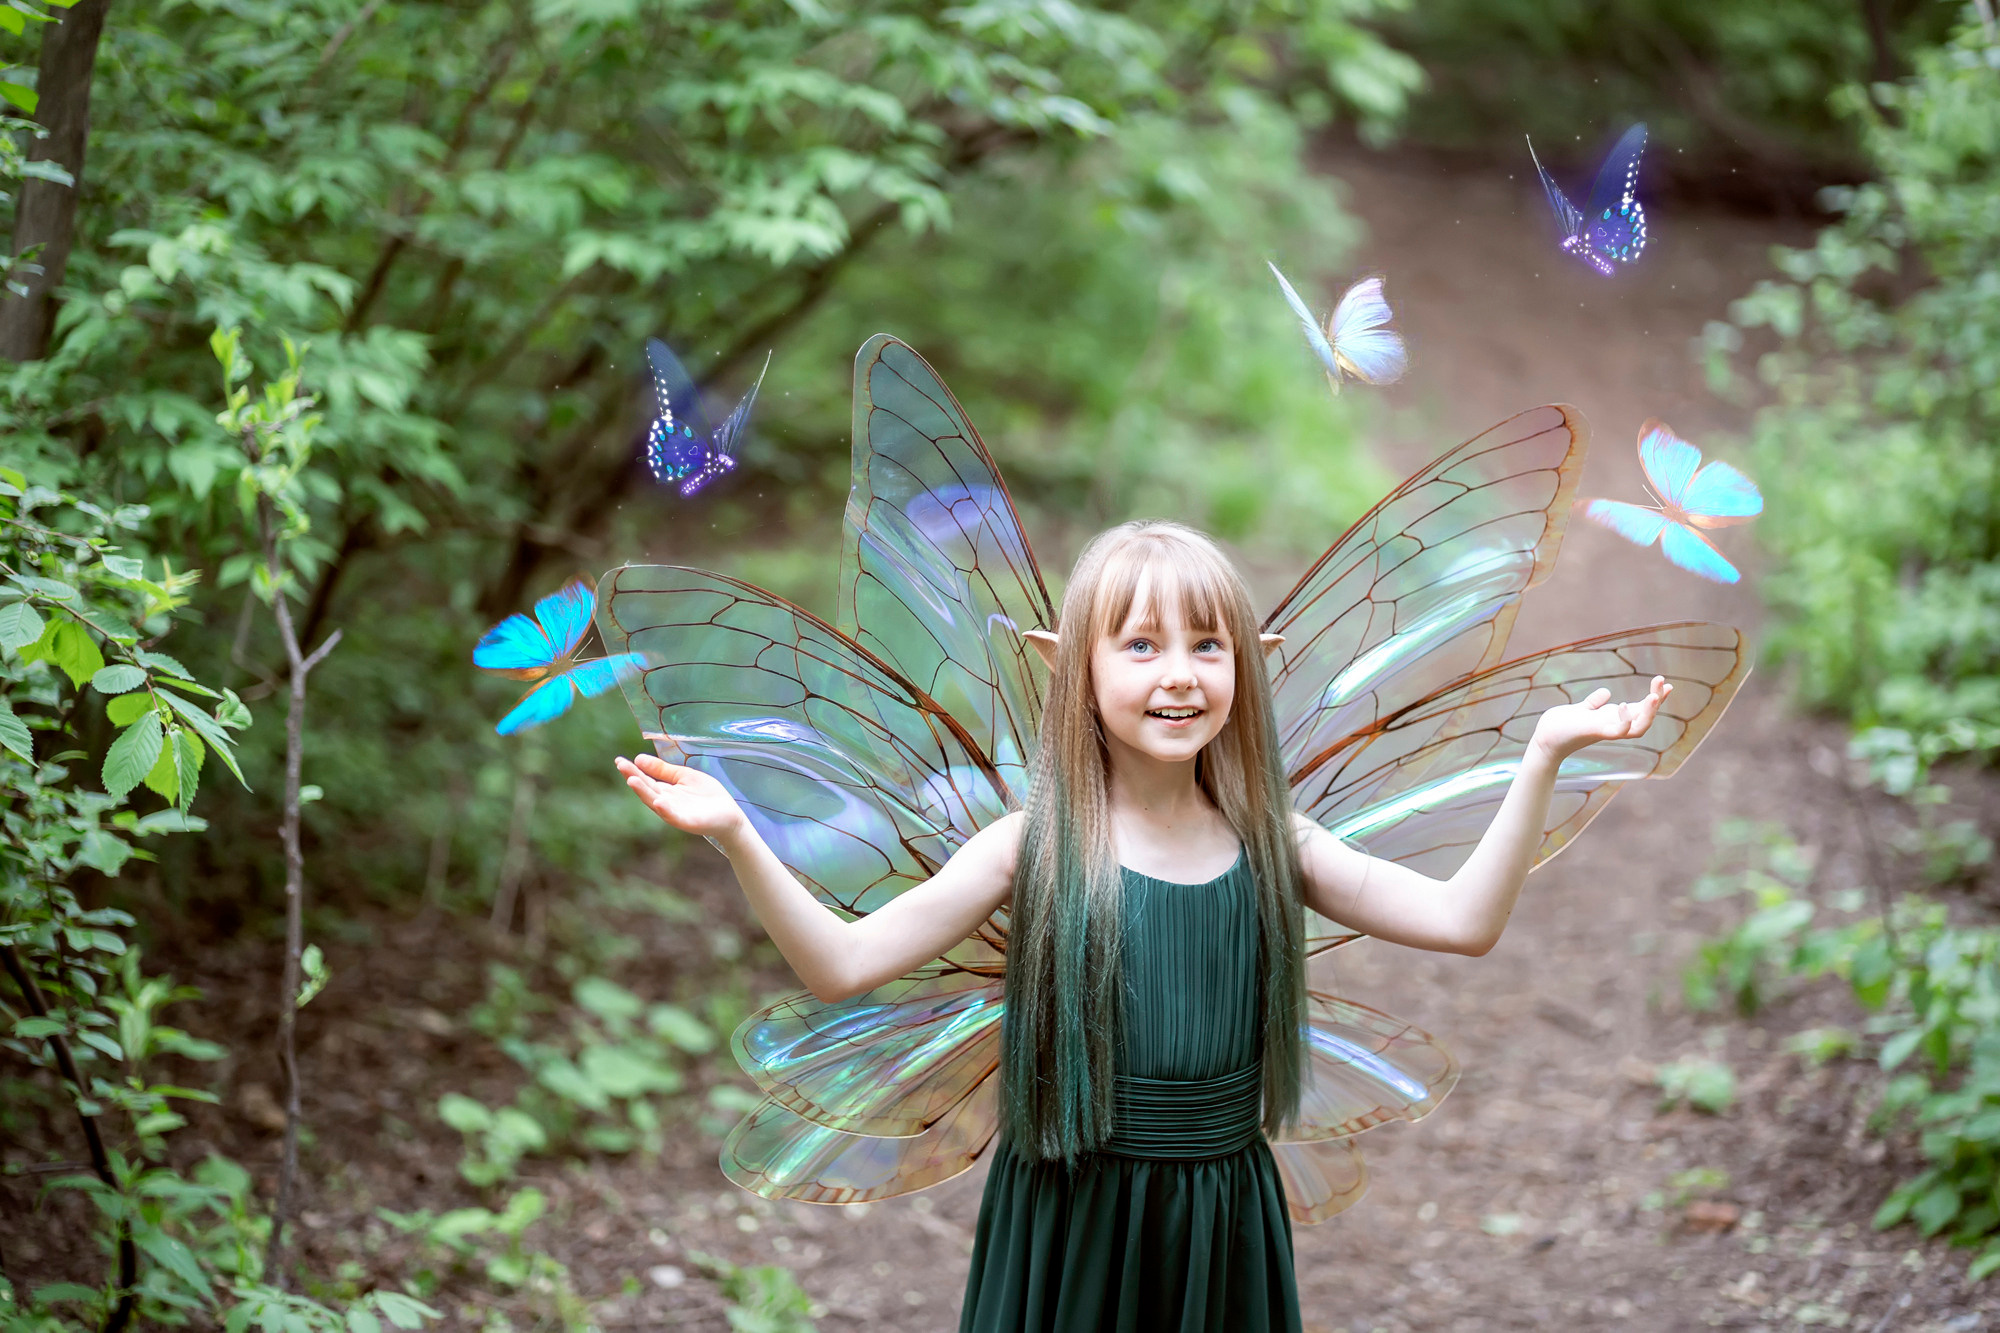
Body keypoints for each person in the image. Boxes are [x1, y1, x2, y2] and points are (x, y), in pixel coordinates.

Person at [615, 519, 1673, 1333]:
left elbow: (1460, 921)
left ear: (1243, 667)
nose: (1177, 672)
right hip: (1069, 1212)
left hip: (1222, 1215)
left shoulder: (1277, 843)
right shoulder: (1029, 847)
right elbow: (842, 963)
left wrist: (1538, 756)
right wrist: (737, 835)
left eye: (1206, 645)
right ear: (1072, 665)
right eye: (1139, 644)